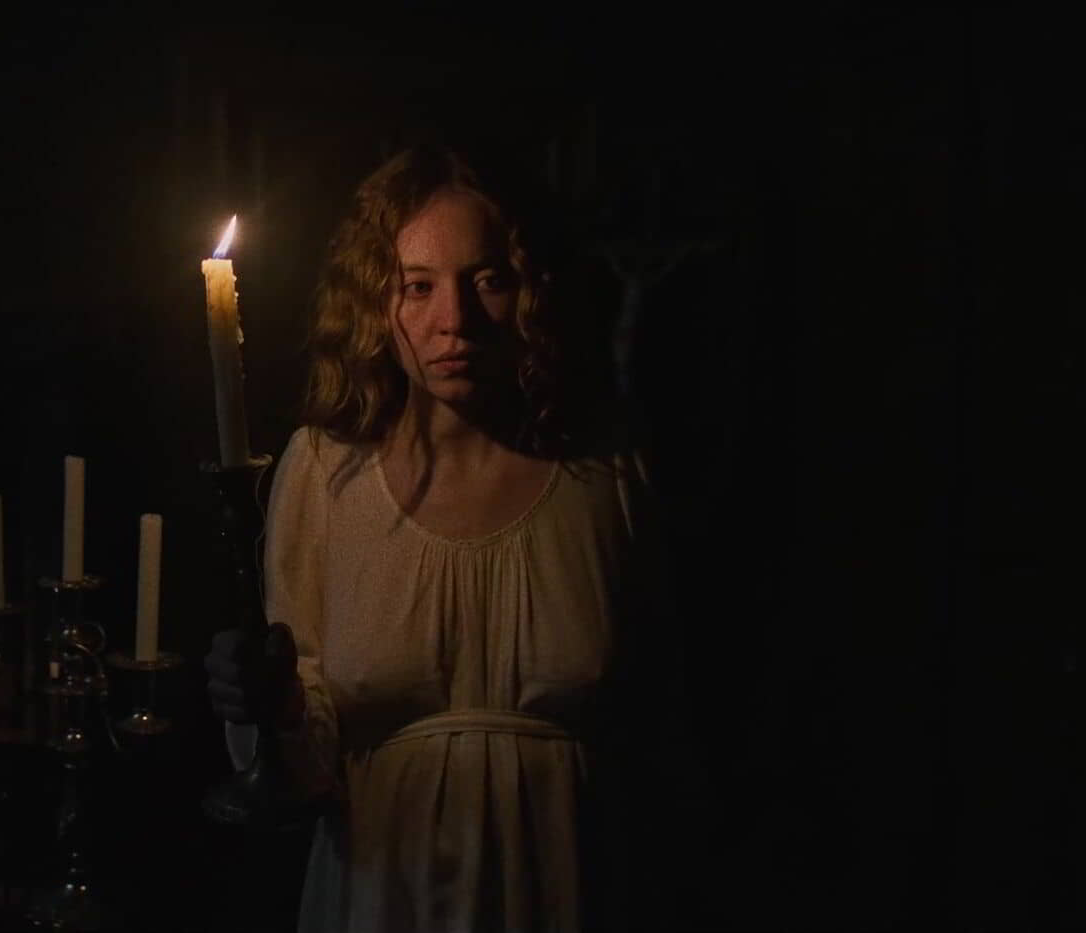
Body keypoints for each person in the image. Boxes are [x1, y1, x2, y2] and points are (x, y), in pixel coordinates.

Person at [205, 146, 709, 932]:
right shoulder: (324, 470)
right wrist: (266, 705)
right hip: (382, 892)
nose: (455, 321)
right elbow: (298, 761)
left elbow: (664, 724)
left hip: (567, 884)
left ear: (532, 289)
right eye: (417, 286)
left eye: (488, 280)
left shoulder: (605, 467)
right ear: (375, 302)